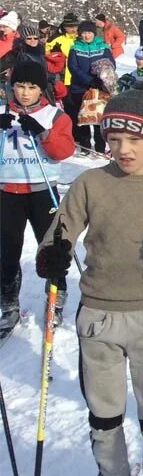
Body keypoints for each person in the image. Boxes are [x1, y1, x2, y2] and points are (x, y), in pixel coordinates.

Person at [37, 89, 143, 476]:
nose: (123, 150)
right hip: (98, 317)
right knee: (104, 414)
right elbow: (60, 231)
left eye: (134, 140)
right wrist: (52, 255)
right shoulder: (90, 182)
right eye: (113, 141)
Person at [0, 62, 75, 336]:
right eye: (20, 86)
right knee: (7, 250)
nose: (25, 93)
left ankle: (57, 295)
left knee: (52, 245)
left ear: (41, 89)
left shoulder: (54, 115)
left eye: (32, 87)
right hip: (7, 190)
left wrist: (43, 132)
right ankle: (7, 302)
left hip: (42, 188)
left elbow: (64, 150)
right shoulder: (2, 111)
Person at [67, 20, 115, 156]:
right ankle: (85, 146)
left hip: (100, 87)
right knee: (82, 118)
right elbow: (73, 67)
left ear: (94, 33)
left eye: (89, 33)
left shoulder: (103, 46)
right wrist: (89, 80)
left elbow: (110, 64)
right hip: (80, 87)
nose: (87, 35)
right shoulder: (75, 48)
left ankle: (100, 147)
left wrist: (102, 79)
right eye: (84, 33)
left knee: (99, 118)